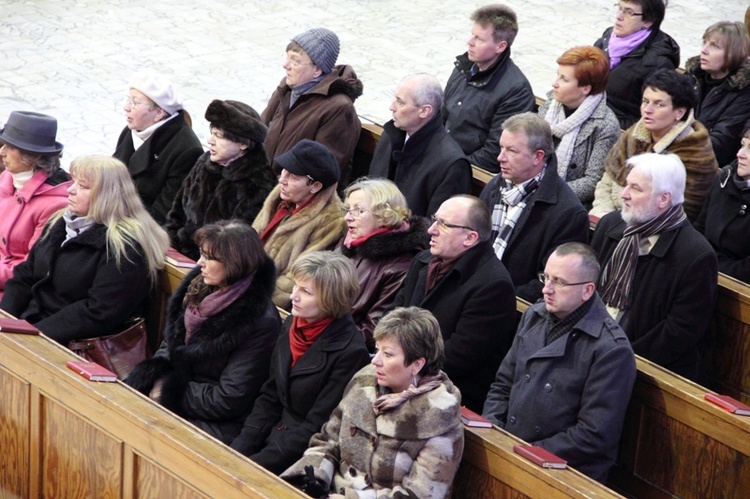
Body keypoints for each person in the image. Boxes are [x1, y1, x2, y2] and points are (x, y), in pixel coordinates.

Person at [483, 242, 636, 483]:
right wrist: (493, 432)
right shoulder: (533, 316)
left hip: (560, 473)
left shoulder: (611, 349)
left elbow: (593, 435)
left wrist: (527, 453)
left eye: (560, 282)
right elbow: (502, 385)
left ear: (587, 290)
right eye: (546, 277)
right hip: (512, 450)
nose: (546, 289)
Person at [281, 307, 464, 498]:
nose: (375, 361)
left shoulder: (439, 418)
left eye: (388, 354)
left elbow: (420, 494)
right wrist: (315, 479)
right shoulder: (365, 382)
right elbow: (328, 439)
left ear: (417, 364)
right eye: (377, 350)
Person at [125, 221, 281, 444]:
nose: (200, 263)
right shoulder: (198, 287)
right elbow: (170, 344)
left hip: (217, 422)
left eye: (209, 258)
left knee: (142, 436)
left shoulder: (259, 321)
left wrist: (168, 391)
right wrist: (156, 378)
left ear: (234, 264)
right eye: (201, 254)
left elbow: (230, 398)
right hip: (180, 393)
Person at [0, 155, 170, 343]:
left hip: (74, 342)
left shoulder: (125, 247)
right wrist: (7, 320)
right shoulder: (59, 221)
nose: (70, 190)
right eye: (73, 182)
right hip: (31, 325)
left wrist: (34, 335)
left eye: (83, 186)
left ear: (107, 195)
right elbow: (24, 275)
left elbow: (99, 312)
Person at [230, 251, 370, 475]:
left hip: (302, 452)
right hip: (270, 431)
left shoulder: (350, 352)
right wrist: (240, 448)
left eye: (305, 291)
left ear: (331, 299)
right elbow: (270, 395)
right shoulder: (292, 323)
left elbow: (317, 426)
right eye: (295, 286)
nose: (293, 296)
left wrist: (256, 464)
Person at [590, 153, 718, 380]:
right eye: (626, 184)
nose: (624, 194)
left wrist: (616, 357)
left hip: (644, 370)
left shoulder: (696, 256)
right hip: (590, 348)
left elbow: (678, 333)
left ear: (663, 199)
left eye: (636, 189)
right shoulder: (611, 225)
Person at [393, 195, 516, 413]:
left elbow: (457, 357)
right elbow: (395, 317)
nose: (431, 230)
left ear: (469, 238)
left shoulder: (493, 285)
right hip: (404, 375)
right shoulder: (423, 261)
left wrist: (399, 367)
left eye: (444, 224)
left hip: (446, 398)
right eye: (435, 219)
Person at [479, 113, 589, 302]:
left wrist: (496, 297)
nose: (500, 158)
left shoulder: (568, 213)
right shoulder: (496, 185)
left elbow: (547, 282)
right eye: (501, 148)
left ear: (538, 157)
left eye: (511, 151)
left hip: (510, 307)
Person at [590, 69, 719, 223]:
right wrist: (601, 213)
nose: (647, 110)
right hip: (608, 219)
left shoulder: (695, 153)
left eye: (659, 104)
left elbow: (678, 213)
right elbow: (608, 179)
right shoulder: (635, 133)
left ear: (679, 112)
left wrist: (616, 225)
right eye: (645, 101)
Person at [164, 99, 276, 260]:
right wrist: (169, 245)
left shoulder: (258, 183)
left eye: (218, 136)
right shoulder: (205, 162)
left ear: (243, 144)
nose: (210, 141)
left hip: (212, 263)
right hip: (178, 252)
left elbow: (235, 244)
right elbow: (176, 213)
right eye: (212, 133)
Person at [262, 27, 363, 187]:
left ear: (317, 70)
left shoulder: (338, 108)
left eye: (295, 61)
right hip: (264, 186)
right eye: (287, 57)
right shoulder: (286, 89)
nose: (285, 65)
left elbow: (321, 171)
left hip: (294, 198)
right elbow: (260, 131)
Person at [253, 139, 347, 309]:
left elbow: (295, 281)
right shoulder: (279, 197)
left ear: (315, 186)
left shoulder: (331, 223)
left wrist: (250, 293)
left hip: (266, 302)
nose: (282, 180)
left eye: (293, 177)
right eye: (284, 171)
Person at [338, 178, 428, 351]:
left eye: (358, 210)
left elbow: (373, 331)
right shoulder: (349, 242)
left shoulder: (401, 265)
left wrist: (324, 332)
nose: (348, 217)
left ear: (384, 216)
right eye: (348, 209)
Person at [443, 4, 535, 172]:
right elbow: (441, 116)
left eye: (479, 39)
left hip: (465, 170)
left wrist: (452, 167)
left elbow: (494, 153)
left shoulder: (516, 91)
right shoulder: (462, 67)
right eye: (472, 35)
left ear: (500, 46)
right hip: (444, 158)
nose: (469, 42)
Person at [368, 74, 471, 216]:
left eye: (400, 102)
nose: (392, 107)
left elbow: (438, 226)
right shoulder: (390, 135)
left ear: (424, 111)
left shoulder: (451, 164)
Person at [113, 72, 203, 224]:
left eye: (135, 102)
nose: (126, 107)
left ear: (159, 113)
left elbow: (162, 213)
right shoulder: (133, 129)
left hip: (142, 229)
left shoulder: (186, 150)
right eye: (128, 99)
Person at [537, 46, 621, 208]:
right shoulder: (550, 106)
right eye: (557, 76)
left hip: (568, 203)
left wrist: (546, 190)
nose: (554, 84)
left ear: (585, 89)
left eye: (564, 79)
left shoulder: (605, 125)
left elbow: (592, 182)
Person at [0, 111, 71, 294]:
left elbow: (30, 266)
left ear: (32, 156)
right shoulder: (7, 177)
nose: (1, 152)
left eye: (10, 147)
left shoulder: (56, 205)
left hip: (14, 288)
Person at [594, 0, 680, 129]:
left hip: (618, 130)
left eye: (629, 12)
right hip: (591, 112)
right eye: (619, 8)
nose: (619, 16)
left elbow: (652, 117)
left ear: (648, 21)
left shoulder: (657, 63)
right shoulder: (609, 37)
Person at [685, 21, 750, 166]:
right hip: (682, 153)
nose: (704, 50)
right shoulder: (693, 77)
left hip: (710, 166)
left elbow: (720, 143)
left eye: (714, 46)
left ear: (733, 54)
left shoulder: (744, 92)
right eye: (704, 42)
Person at [695, 128, 750, 282]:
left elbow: (746, 270)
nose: (740, 154)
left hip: (733, 287)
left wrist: (706, 265)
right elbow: (700, 227)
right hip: (701, 269)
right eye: (742, 145)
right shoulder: (724, 180)